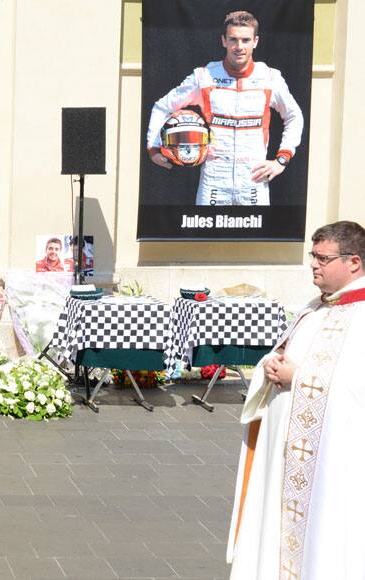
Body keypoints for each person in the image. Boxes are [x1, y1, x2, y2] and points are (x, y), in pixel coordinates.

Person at [227, 221, 365, 579]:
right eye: (313, 256)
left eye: (323, 258)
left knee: (324, 542)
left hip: (334, 468)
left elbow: (356, 390)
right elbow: (285, 354)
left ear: (354, 263)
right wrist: (268, 365)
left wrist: (298, 378)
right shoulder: (313, 308)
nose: (314, 265)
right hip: (285, 458)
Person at [146, 10, 304, 207]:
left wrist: (281, 159)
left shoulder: (270, 78)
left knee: (256, 238)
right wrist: (153, 148)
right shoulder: (204, 77)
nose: (239, 47)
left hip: (254, 180)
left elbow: (294, 116)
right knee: (207, 238)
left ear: (256, 42)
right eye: (233, 40)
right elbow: (162, 107)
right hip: (214, 180)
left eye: (245, 40)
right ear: (224, 41)